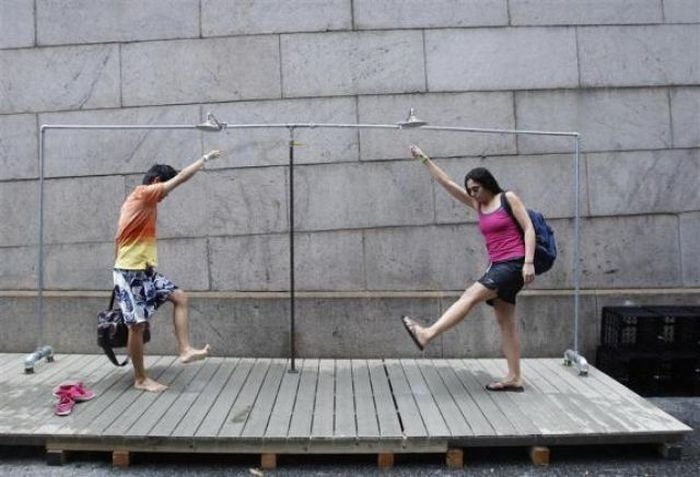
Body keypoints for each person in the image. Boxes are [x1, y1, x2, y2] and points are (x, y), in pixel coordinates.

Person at [401, 144, 535, 392]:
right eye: (470, 190)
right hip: (498, 265)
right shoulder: (478, 205)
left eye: (477, 189)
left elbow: (528, 228)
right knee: (505, 321)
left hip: (513, 264)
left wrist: (528, 263)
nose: (473, 194)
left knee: (470, 296)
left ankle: (427, 334)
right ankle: (515, 377)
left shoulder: (507, 198)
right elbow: (448, 183)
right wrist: (424, 159)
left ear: (488, 184)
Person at [113, 150, 221, 392]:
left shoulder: (140, 202)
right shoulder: (144, 194)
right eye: (165, 191)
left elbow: (117, 238)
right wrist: (204, 159)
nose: (165, 197)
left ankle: (184, 350)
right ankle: (140, 379)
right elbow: (181, 177)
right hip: (130, 272)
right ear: (156, 183)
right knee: (136, 325)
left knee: (180, 297)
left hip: (143, 271)